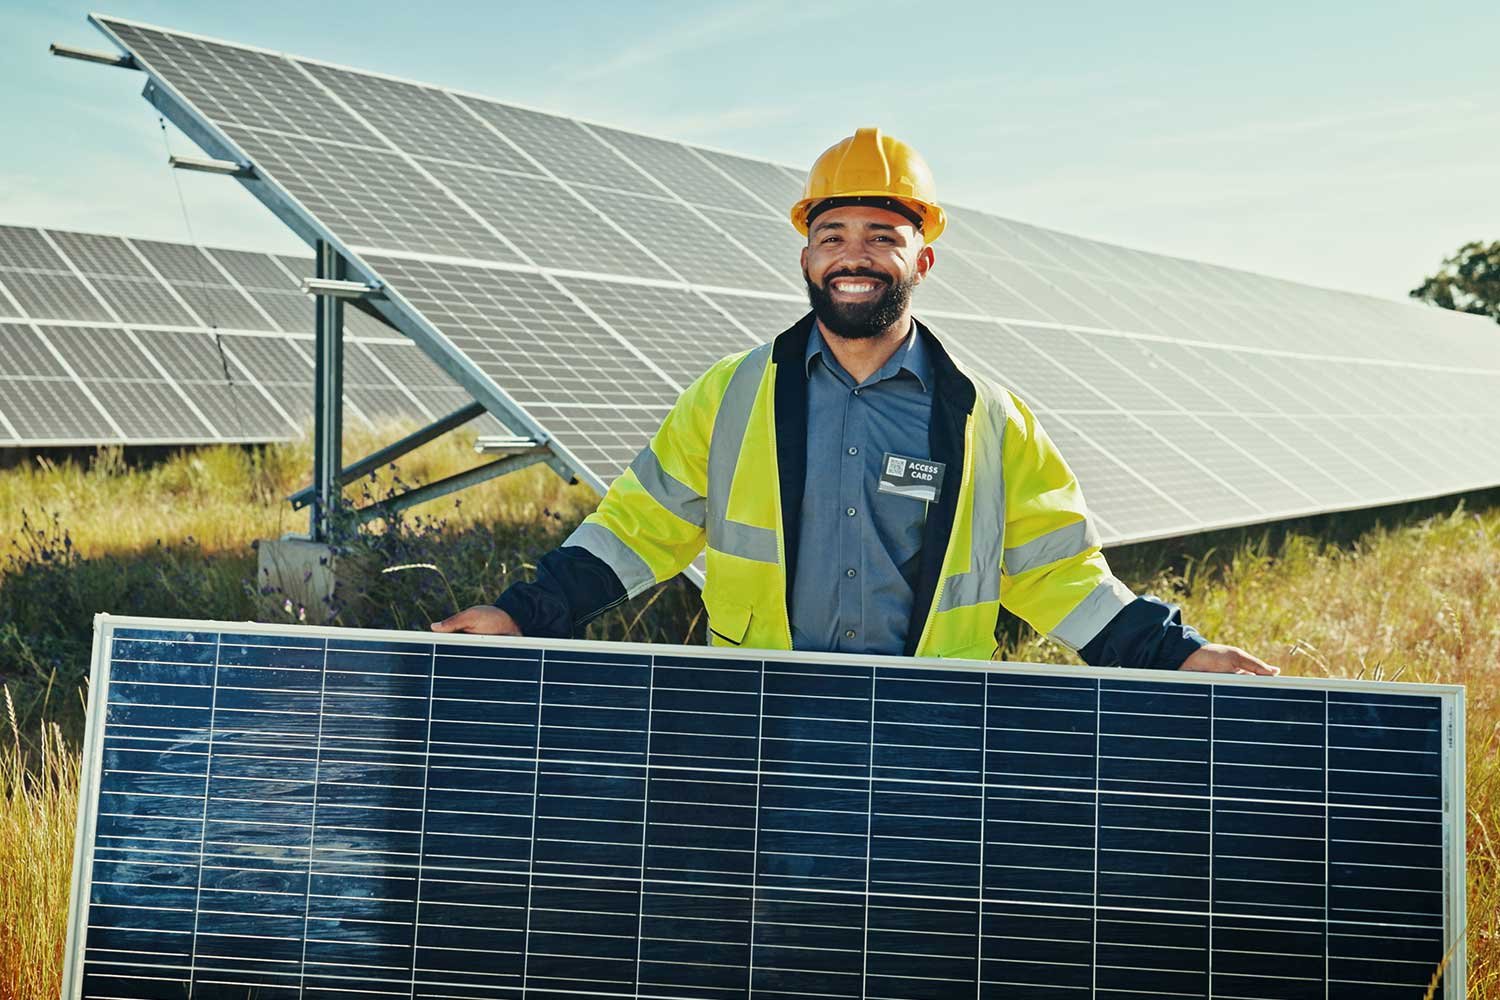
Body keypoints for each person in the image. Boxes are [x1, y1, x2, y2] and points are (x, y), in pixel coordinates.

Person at [433, 128, 1278, 677]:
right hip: (763, 715)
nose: (855, 255)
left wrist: (1176, 654)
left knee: (902, 930)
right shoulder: (730, 397)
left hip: (930, 723)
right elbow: (633, 531)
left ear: (922, 263)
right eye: (833, 237)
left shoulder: (987, 420)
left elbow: (1060, 574)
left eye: (883, 237)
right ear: (806, 259)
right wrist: (519, 612)